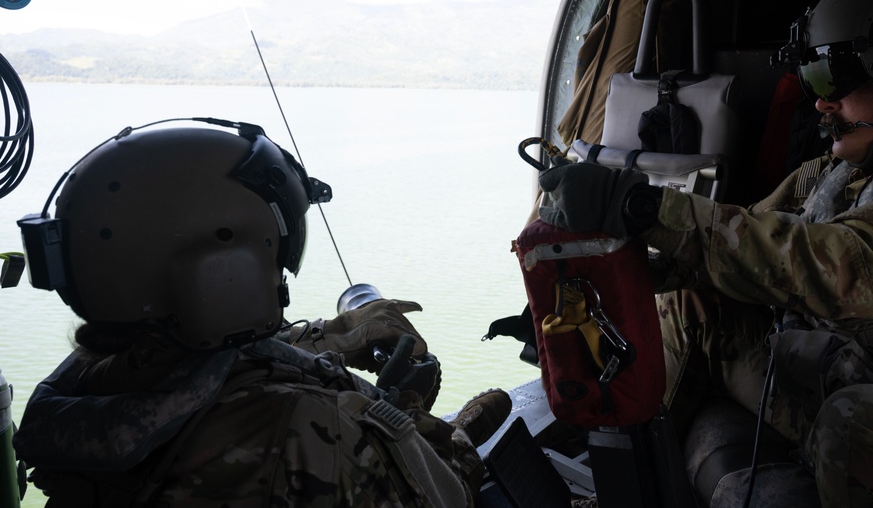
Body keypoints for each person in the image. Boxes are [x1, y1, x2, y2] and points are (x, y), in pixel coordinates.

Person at [537, 0, 873, 507]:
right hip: (845, 362)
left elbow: (851, 269)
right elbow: (744, 241)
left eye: (834, 79)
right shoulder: (842, 171)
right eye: (812, 79)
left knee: (857, 424)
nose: (820, 105)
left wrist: (644, 205)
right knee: (693, 302)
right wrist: (618, 268)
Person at [12, 119, 511, 507]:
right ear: (222, 268)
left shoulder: (88, 386)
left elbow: (212, 365)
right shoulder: (308, 424)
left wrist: (329, 338)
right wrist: (403, 415)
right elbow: (448, 493)